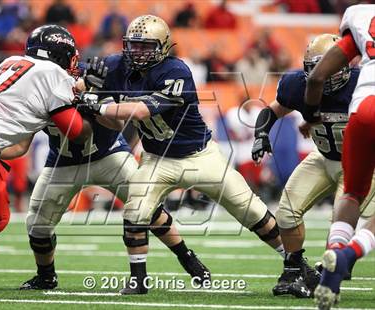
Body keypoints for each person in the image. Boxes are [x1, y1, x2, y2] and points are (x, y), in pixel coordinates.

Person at [82, 14, 285, 294]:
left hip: (200, 156)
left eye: (146, 46)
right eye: (134, 45)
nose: (138, 53)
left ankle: (295, 262)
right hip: (156, 158)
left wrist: (97, 105)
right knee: (135, 211)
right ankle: (138, 280)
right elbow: (79, 81)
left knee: (250, 210)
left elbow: (140, 111)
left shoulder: (176, 70)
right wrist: (85, 86)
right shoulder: (117, 65)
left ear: (163, 46)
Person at [17, 74, 210, 289]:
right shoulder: (37, 90)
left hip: (108, 154)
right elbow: (21, 143)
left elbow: (118, 124)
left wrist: (93, 100)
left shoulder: (90, 80)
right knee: (37, 222)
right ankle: (46, 276)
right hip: (63, 162)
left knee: (146, 206)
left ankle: (186, 256)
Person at [0, 25, 93, 283]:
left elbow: (18, 146)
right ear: (63, 55)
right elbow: (76, 131)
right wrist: (92, 107)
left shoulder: (12, 61)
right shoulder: (53, 73)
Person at [252, 33, 375, 298]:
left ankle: (332, 272)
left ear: (345, 66)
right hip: (323, 157)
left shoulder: (363, 84)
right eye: (315, 70)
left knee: (340, 223)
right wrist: (261, 134)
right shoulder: (297, 85)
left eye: (327, 69)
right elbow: (272, 110)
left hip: (360, 162)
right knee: (286, 212)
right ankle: (294, 269)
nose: (321, 76)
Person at [301, 5, 375, 309]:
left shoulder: (361, 16)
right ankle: (348, 254)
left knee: (352, 193)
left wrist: (311, 115)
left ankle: (333, 260)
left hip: (362, 108)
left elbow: (316, 77)